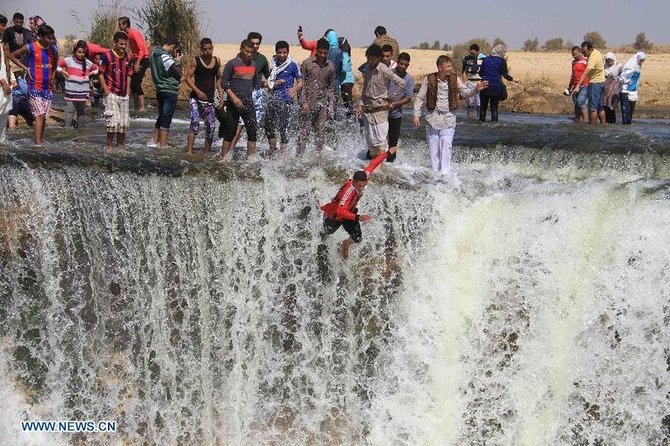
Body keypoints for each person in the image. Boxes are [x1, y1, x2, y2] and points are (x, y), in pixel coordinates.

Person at [413, 55, 488, 175]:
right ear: (440, 67)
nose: (450, 68)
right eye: (448, 66)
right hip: (432, 119)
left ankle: (445, 175)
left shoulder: (455, 79)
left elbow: (464, 92)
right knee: (434, 151)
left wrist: (476, 89)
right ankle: (435, 175)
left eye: (450, 66)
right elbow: (420, 98)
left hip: (449, 119)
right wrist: (416, 114)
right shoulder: (429, 79)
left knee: (446, 147)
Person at [321, 150, 391, 259]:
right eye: (359, 186)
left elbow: (373, 164)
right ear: (353, 181)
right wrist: (358, 217)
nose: (361, 188)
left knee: (357, 237)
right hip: (335, 216)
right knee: (326, 233)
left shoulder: (365, 176)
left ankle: (345, 244)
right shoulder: (349, 191)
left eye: (363, 185)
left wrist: (388, 153)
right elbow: (340, 211)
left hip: (349, 213)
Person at [9, 24, 58, 146]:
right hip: (34, 86)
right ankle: (37, 146)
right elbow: (12, 55)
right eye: (48, 38)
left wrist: (53, 76)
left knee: (44, 117)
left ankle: (39, 142)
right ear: (40, 36)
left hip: (48, 88)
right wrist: (25, 68)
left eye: (52, 38)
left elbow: (55, 63)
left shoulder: (53, 49)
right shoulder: (31, 47)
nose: (50, 40)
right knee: (39, 116)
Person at [357, 44, 405, 159]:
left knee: (381, 142)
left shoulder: (383, 69)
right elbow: (365, 87)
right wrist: (360, 103)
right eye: (368, 58)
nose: (370, 61)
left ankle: (381, 166)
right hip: (368, 109)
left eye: (372, 58)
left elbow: (401, 83)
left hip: (381, 110)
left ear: (378, 58)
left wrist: (392, 97)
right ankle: (375, 167)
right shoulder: (367, 69)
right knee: (372, 142)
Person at [228, 32, 270, 151]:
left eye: (258, 44)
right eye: (253, 43)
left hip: (258, 93)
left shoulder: (262, 59)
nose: (255, 46)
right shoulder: (240, 57)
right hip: (244, 92)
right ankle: (229, 151)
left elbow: (267, 75)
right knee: (239, 125)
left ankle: (250, 156)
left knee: (253, 126)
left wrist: (267, 84)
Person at [220, 39, 259, 159]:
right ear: (241, 49)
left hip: (248, 103)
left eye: (251, 52)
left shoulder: (253, 65)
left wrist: (269, 83)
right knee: (230, 131)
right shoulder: (232, 64)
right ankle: (224, 158)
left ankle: (250, 160)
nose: (249, 54)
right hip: (233, 103)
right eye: (247, 51)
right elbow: (224, 83)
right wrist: (234, 98)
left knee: (252, 131)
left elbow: (255, 83)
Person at [184, 38, 222, 154]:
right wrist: (198, 91)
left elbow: (219, 79)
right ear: (201, 49)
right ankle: (189, 151)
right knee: (194, 122)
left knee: (210, 126)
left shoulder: (217, 61)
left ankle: (206, 152)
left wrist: (220, 96)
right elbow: (187, 78)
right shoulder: (196, 61)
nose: (207, 51)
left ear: (212, 48)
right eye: (205, 49)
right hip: (196, 97)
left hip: (210, 98)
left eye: (209, 48)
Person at [265, 40, 302, 156]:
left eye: (284, 52)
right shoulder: (272, 64)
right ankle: (272, 149)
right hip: (272, 99)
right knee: (268, 126)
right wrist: (273, 83)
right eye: (279, 52)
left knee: (283, 127)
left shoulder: (293, 65)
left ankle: (283, 154)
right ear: (276, 52)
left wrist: (294, 89)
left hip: (286, 100)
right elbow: (266, 80)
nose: (282, 55)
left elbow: (301, 82)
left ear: (288, 52)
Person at [297, 38, 334, 154]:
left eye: (325, 53)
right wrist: (303, 102)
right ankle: (299, 156)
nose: (322, 55)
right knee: (304, 131)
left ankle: (318, 155)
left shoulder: (330, 66)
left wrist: (330, 106)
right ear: (316, 51)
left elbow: (330, 88)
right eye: (320, 52)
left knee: (320, 131)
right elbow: (300, 84)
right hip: (308, 102)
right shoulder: (307, 63)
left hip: (322, 103)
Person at [98, 31, 134, 150]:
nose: (123, 47)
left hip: (124, 95)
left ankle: (121, 146)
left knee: (123, 124)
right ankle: (109, 146)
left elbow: (129, 75)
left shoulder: (129, 57)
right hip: (112, 93)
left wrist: (128, 92)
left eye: (125, 45)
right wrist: (106, 91)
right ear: (115, 43)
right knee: (112, 123)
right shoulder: (107, 56)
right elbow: (101, 74)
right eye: (121, 44)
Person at [149, 37, 183, 149]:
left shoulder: (154, 54)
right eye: (175, 49)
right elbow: (178, 73)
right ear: (172, 46)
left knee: (161, 116)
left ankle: (155, 141)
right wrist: (177, 61)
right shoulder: (164, 56)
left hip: (160, 89)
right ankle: (162, 146)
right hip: (169, 90)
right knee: (166, 119)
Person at [57, 40, 99, 129]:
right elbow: (56, 65)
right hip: (71, 90)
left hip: (83, 91)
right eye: (79, 52)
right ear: (75, 51)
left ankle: (80, 130)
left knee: (81, 111)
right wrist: (63, 71)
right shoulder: (68, 60)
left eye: (83, 52)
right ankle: (66, 129)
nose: (81, 54)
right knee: (70, 110)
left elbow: (98, 69)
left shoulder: (87, 62)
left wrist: (90, 74)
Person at [118, 17, 149, 112]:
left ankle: (142, 107)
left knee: (136, 83)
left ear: (125, 25)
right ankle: (136, 107)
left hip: (143, 59)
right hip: (136, 60)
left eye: (120, 24)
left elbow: (142, 49)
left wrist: (138, 63)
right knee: (131, 83)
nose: (119, 26)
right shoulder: (127, 35)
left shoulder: (134, 33)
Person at [386, 52, 413, 163]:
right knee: (379, 140)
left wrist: (395, 105)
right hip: (382, 113)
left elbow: (408, 98)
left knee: (393, 143)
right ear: (397, 62)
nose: (403, 66)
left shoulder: (408, 79)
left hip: (396, 114)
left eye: (405, 65)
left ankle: (390, 165)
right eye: (401, 64)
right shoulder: (389, 74)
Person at [478, 44, 515, 123]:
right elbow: (504, 74)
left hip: (484, 85)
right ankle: (494, 124)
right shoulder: (502, 61)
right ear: (500, 52)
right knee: (494, 108)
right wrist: (512, 79)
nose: (504, 54)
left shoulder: (485, 60)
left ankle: (481, 124)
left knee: (483, 108)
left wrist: (486, 78)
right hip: (496, 87)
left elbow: (480, 73)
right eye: (504, 52)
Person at [573, 41, 606, 126]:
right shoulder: (596, 52)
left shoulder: (593, 57)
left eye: (585, 52)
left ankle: (592, 127)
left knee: (592, 108)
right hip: (601, 82)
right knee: (599, 107)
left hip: (595, 83)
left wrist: (577, 86)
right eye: (582, 52)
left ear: (590, 49)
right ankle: (603, 126)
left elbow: (587, 71)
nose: (583, 55)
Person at [619, 52, 646, 125]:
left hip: (633, 91)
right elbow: (622, 77)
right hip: (625, 91)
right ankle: (625, 127)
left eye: (643, 60)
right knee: (626, 112)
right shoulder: (630, 66)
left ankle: (628, 125)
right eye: (641, 60)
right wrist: (626, 81)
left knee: (630, 112)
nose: (642, 62)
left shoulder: (638, 66)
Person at [0, 15, 15, 143]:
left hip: (5, 86)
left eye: (4, 25)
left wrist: (12, 78)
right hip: (2, 85)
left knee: (4, 113)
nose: (4, 28)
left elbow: (7, 63)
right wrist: (3, 82)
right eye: (2, 25)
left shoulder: (3, 44)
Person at [461, 43, 486, 118]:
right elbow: (464, 72)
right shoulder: (467, 59)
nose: (472, 54)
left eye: (473, 53)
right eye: (470, 52)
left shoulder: (484, 59)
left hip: (479, 83)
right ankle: (470, 117)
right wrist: (463, 84)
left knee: (479, 102)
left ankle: (478, 118)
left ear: (477, 51)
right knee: (470, 102)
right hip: (470, 83)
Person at [566, 45, 589, 122]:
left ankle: (586, 120)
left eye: (575, 54)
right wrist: (569, 87)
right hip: (575, 86)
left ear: (580, 52)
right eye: (572, 55)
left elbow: (589, 72)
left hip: (585, 85)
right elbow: (573, 75)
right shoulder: (573, 62)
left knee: (581, 102)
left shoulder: (586, 60)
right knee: (576, 104)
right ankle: (578, 120)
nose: (573, 56)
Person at [601, 52, 622, 124]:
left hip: (614, 90)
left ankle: (612, 122)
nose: (610, 63)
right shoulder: (604, 67)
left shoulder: (618, 66)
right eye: (608, 61)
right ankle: (606, 122)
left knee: (612, 107)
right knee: (605, 106)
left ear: (614, 59)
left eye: (611, 61)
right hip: (605, 90)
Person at [338, 36, 355, 118]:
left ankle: (353, 120)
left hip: (345, 81)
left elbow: (344, 68)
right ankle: (351, 119)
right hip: (348, 81)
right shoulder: (347, 53)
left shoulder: (344, 54)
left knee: (348, 104)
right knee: (348, 103)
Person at [324, 30, 343, 98]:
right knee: (335, 102)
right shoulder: (340, 51)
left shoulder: (326, 51)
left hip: (326, 81)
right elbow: (341, 68)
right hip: (335, 81)